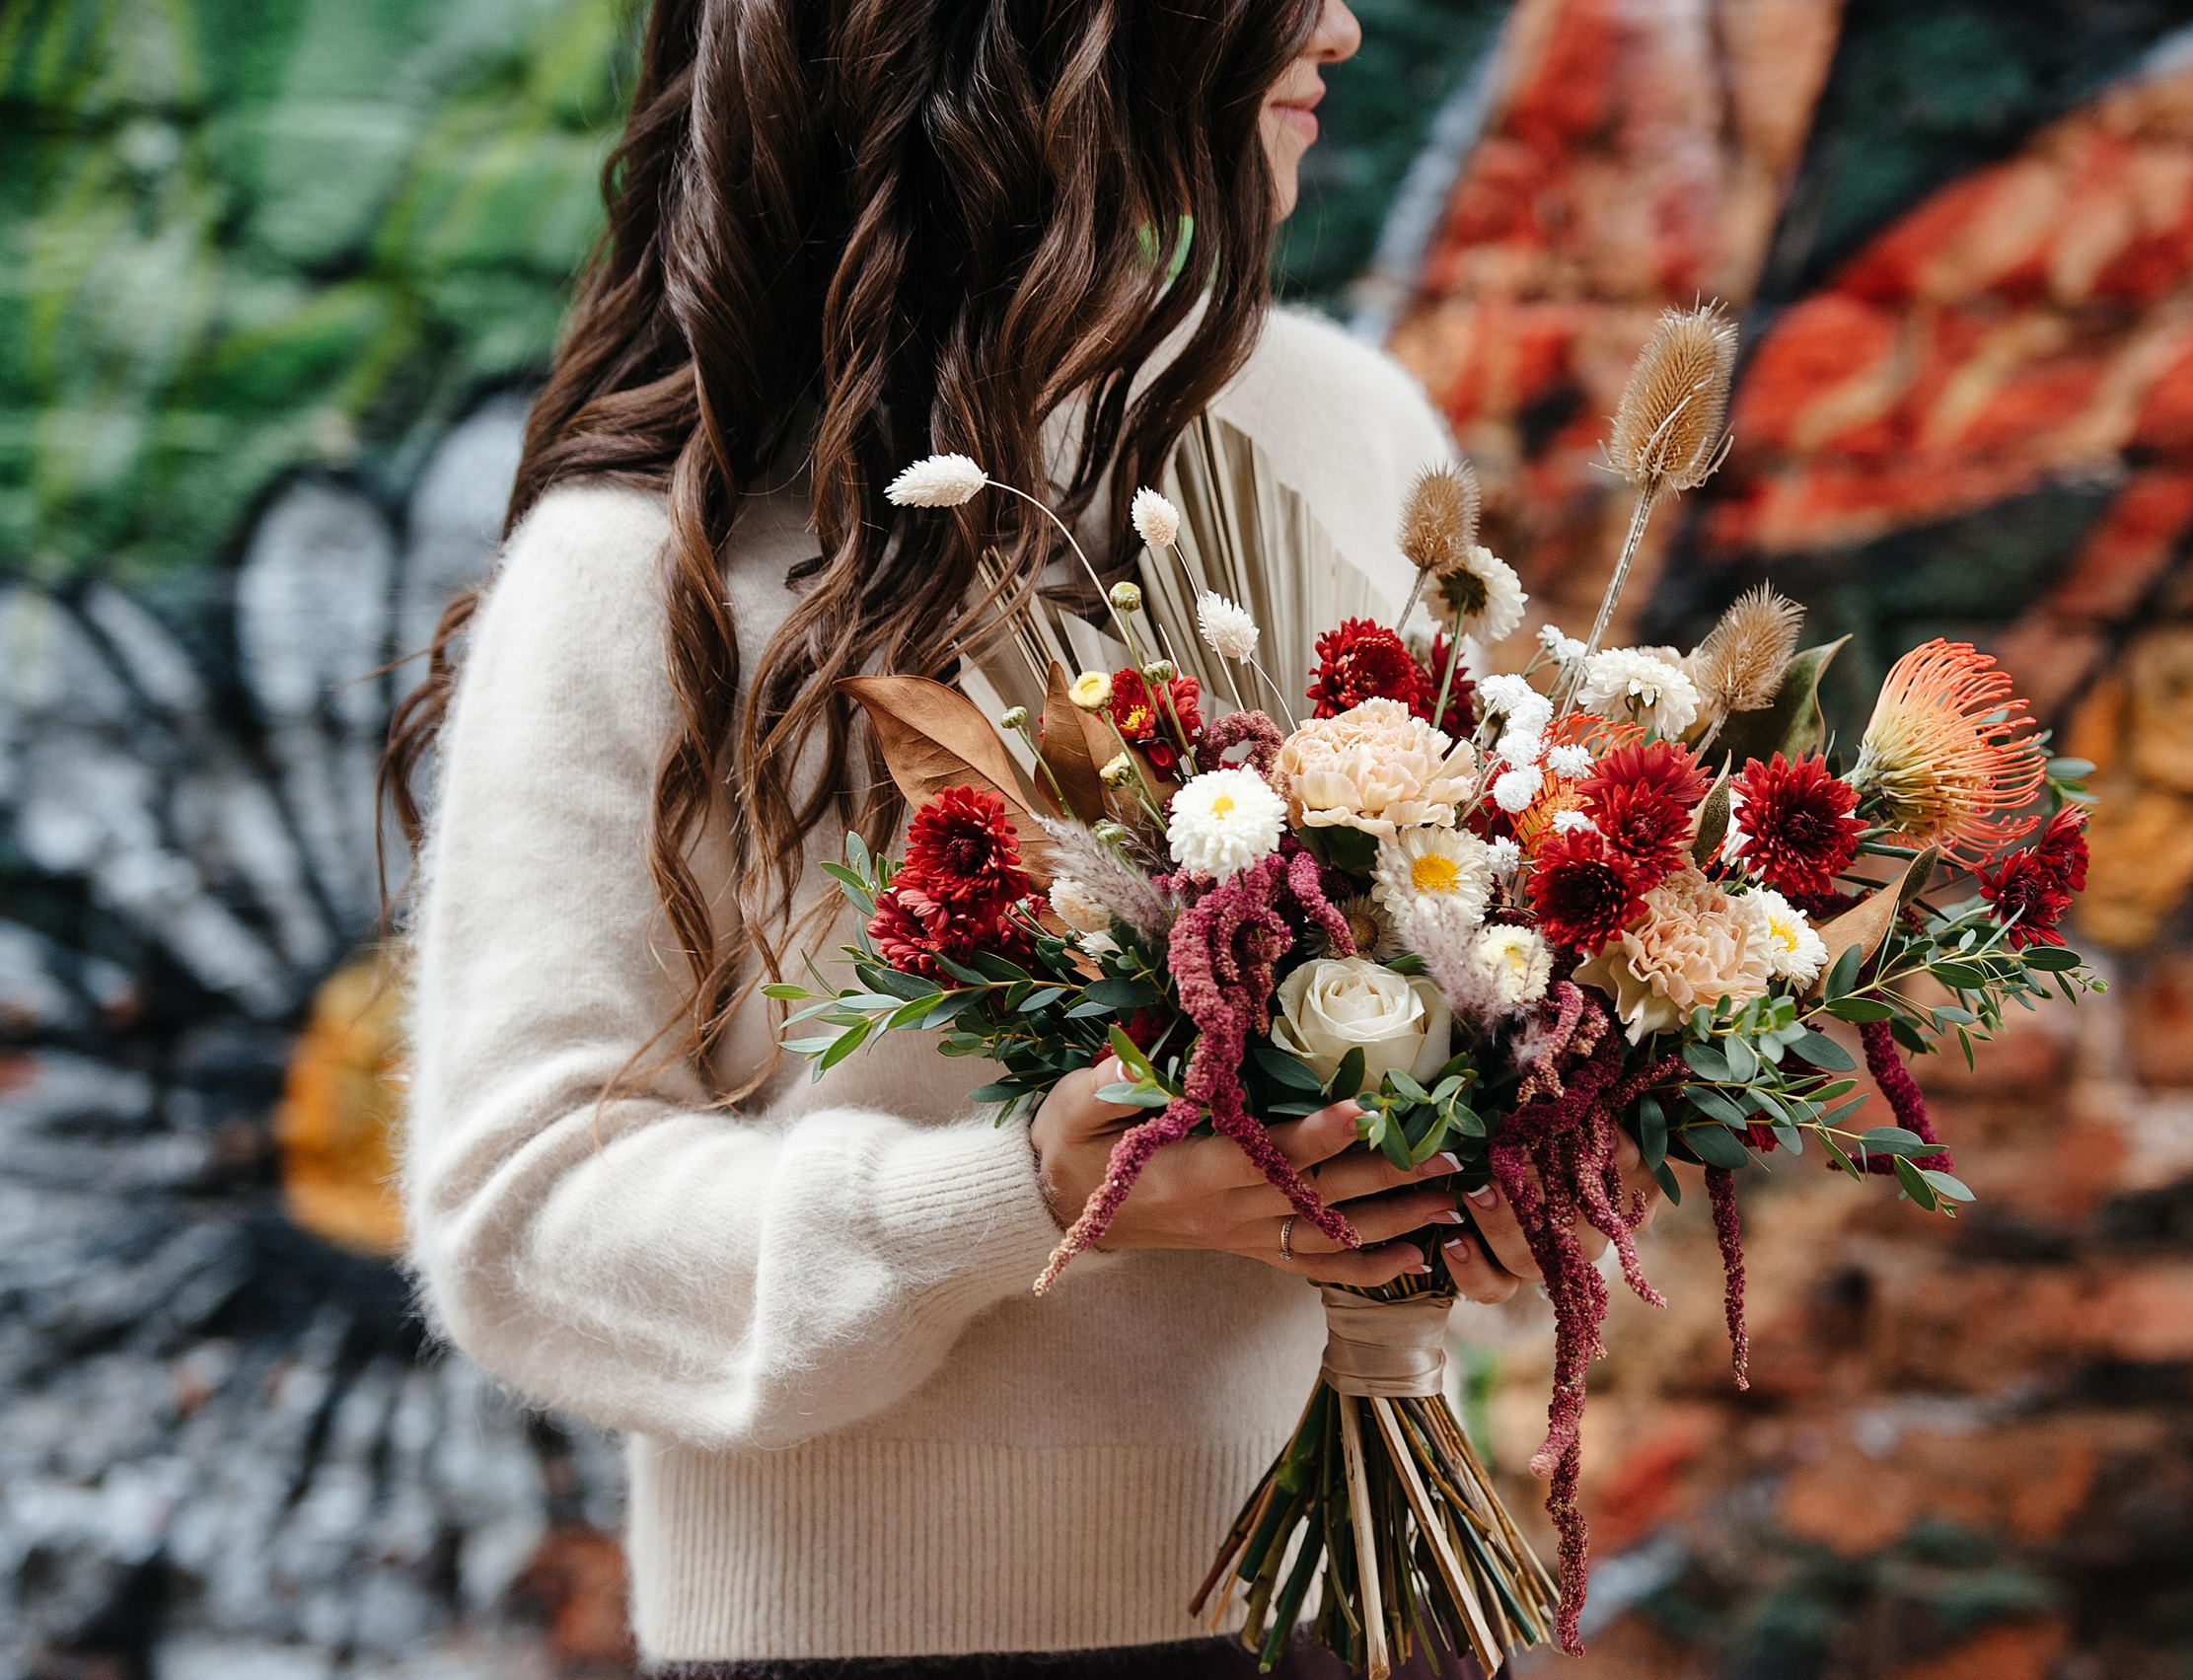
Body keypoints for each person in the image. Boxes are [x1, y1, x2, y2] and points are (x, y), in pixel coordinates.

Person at [389, 2, 1653, 1674]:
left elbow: (1456, 982)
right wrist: (1020, 1194)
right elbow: (524, 1222)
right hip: (862, 1644)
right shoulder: (654, 555)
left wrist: (1509, 1166)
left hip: (1358, 1611)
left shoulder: (1350, 428)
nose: (1341, 22)